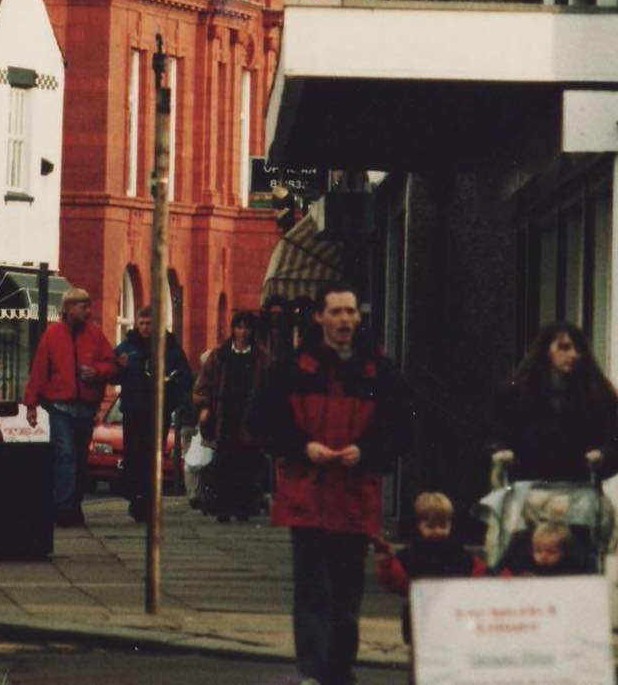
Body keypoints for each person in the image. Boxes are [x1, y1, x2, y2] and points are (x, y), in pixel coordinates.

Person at [249, 282, 412, 685]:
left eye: (350, 312)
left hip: (354, 497)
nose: (344, 320)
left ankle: (338, 672)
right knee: (311, 589)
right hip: (307, 495)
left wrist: (366, 452)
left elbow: (402, 429)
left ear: (359, 317)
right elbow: (259, 424)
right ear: (319, 317)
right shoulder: (290, 369)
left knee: (346, 594)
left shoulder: (380, 371)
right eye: (336, 312)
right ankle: (312, 673)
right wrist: (304, 447)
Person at [23, 287, 120, 526]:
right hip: (60, 407)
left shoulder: (95, 334)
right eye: (82, 306)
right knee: (66, 455)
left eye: (88, 305)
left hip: (85, 407)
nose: (87, 310)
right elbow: (39, 369)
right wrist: (31, 404)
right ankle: (65, 508)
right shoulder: (52, 335)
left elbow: (112, 365)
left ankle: (73, 504)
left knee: (78, 457)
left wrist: (97, 372)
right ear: (68, 308)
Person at [491, 321, 618, 483]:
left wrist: (603, 455)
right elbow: (495, 435)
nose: (573, 355)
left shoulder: (599, 397)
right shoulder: (515, 395)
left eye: (578, 350)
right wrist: (501, 451)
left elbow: (614, 443)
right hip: (528, 484)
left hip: (578, 485)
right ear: (545, 351)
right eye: (564, 348)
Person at [114, 304, 191, 522]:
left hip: (158, 412)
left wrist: (171, 393)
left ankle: (148, 499)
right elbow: (112, 376)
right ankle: (137, 496)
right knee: (134, 456)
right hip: (134, 410)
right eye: (142, 323)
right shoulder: (126, 347)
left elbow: (185, 379)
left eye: (149, 323)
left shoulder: (171, 347)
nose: (145, 328)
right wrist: (120, 367)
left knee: (153, 457)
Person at [373, 491, 483, 643]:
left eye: (443, 525)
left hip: (451, 619)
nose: (438, 531)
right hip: (420, 619)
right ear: (418, 525)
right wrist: (386, 562)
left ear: (450, 525)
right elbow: (397, 582)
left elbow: (479, 577)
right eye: (431, 526)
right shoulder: (412, 554)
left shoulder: (459, 554)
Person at [192, 310, 270, 521]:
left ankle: (244, 507)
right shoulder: (219, 355)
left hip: (250, 416)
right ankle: (223, 508)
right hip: (225, 415)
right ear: (233, 329)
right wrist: (204, 406)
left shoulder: (261, 357)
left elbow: (269, 387)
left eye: (247, 328)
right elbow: (203, 384)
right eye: (239, 327)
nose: (243, 332)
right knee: (224, 462)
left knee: (247, 463)